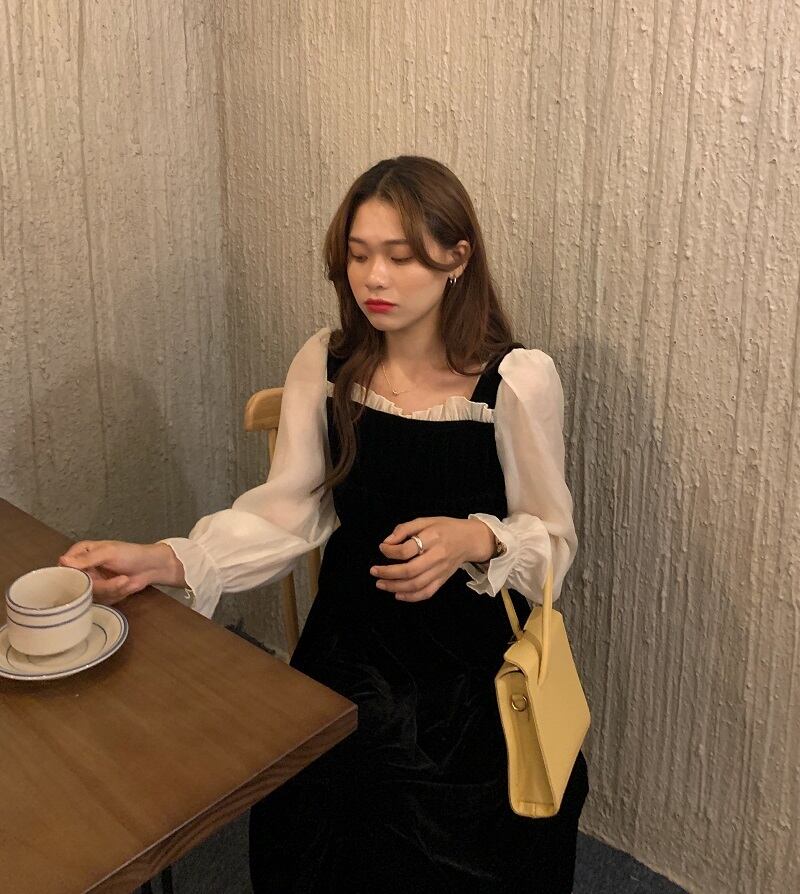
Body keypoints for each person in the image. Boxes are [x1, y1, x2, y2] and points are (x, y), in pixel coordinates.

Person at [60, 155, 589, 893]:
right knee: (318, 801)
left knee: (450, 830)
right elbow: (290, 508)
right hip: (351, 641)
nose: (375, 278)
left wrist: (479, 537)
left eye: (401, 257)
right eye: (359, 254)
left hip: (467, 663)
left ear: (457, 259)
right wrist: (165, 558)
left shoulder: (515, 381)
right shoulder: (330, 360)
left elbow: (553, 544)